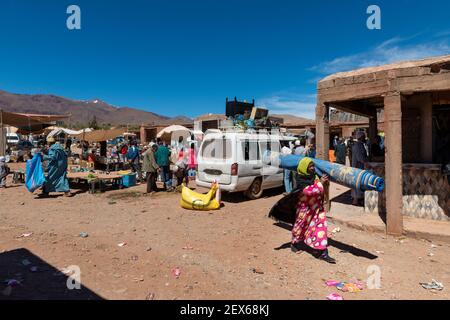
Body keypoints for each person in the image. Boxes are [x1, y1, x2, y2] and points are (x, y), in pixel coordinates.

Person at [291, 157, 335, 264]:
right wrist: (320, 183)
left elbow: (319, 189)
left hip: (317, 209)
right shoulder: (300, 180)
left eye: (312, 166)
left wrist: (324, 183)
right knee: (300, 227)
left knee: (320, 228)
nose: (312, 168)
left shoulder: (315, 176)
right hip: (304, 209)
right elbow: (309, 192)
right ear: (304, 168)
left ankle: (322, 252)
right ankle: (295, 243)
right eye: (309, 166)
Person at [351, 131, 369, 205]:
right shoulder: (357, 146)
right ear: (361, 138)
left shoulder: (360, 145)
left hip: (359, 167)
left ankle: (358, 199)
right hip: (357, 168)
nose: (365, 138)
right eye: (364, 137)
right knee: (357, 184)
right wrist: (366, 162)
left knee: (358, 184)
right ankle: (355, 200)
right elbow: (360, 158)